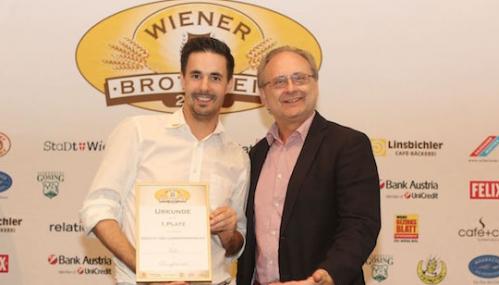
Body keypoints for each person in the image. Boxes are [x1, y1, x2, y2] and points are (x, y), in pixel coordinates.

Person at [80, 37, 249, 285]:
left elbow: (236, 245)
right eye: (196, 75)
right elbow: (97, 210)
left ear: (229, 84)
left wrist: (228, 232)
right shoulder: (137, 132)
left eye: (215, 77)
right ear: (182, 79)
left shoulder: (238, 157)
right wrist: (149, 272)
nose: (204, 86)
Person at [236, 46, 381, 285]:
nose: (291, 88)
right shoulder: (256, 155)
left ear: (315, 84)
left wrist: (326, 276)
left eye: (300, 78)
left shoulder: (348, 145)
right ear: (263, 96)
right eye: (279, 81)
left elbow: (361, 225)